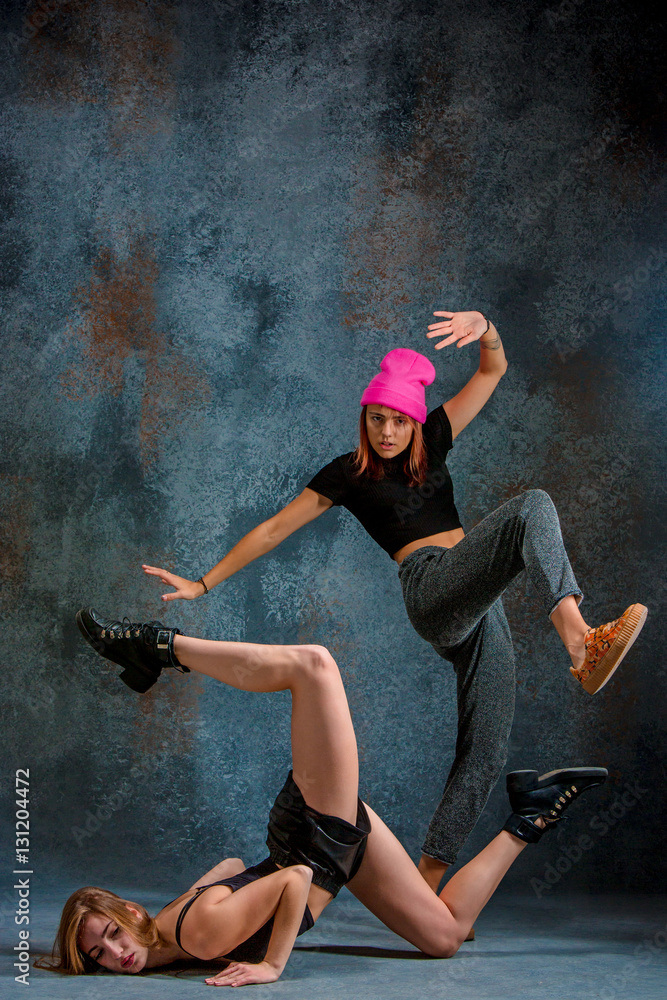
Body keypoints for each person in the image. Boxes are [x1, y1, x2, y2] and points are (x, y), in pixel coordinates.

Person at [140, 309, 646, 892]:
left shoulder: (434, 437)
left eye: (398, 421)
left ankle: (429, 885)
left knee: (484, 746)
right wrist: (202, 583)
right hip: (433, 589)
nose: (386, 432)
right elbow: (275, 529)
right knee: (532, 505)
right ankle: (582, 642)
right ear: (365, 418)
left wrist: (485, 328)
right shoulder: (349, 473)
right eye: (376, 419)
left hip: (481, 602)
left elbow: (492, 370)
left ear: (413, 421)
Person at [40, 608, 608, 986]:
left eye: (110, 935)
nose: (115, 955)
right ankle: (532, 809)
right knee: (445, 937)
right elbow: (233, 866)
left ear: (129, 913)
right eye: (98, 956)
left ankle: (157, 645)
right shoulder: (169, 926)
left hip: (317, 841)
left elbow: (293, 881)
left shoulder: (194, 934)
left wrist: (270, 963)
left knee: (313, 666)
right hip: (330, 850)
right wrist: (223, 895)